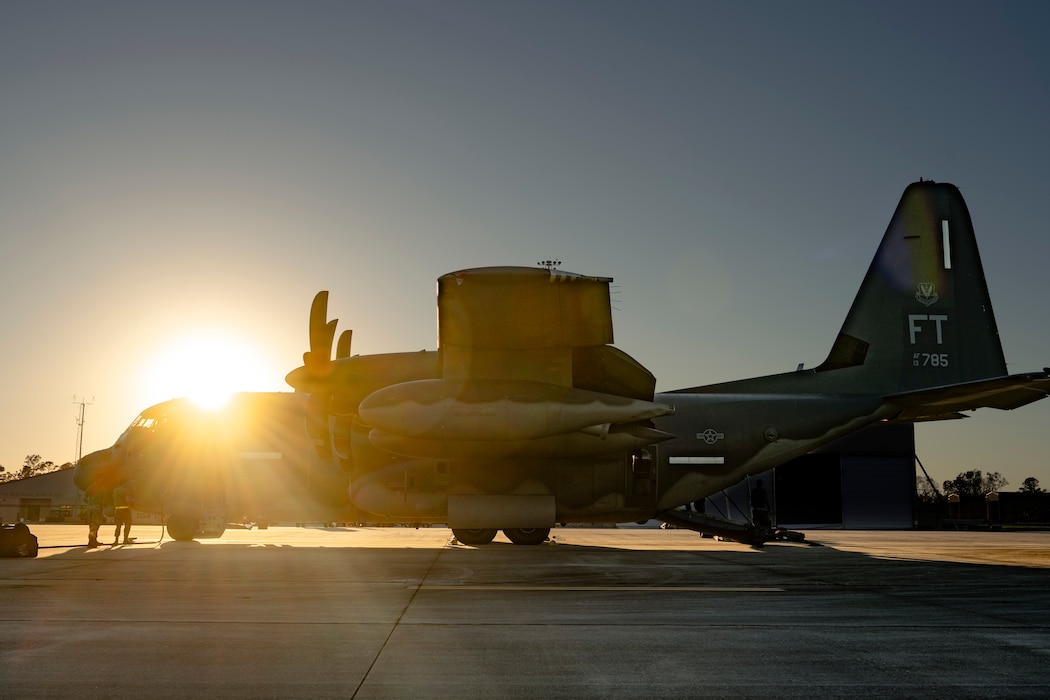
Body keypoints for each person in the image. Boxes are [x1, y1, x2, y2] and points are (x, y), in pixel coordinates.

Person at [112, 479, 133, 545]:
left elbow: (113, 498)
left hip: (117, 509)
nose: (127, 484)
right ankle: (125, 539)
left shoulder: (115, 490)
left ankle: (116, 540)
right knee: (128, 524)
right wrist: (131, 504)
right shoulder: (125, 490)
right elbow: (127, 500)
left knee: (118, 526)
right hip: (125, 510)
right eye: (126, 483)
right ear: (123, 483)